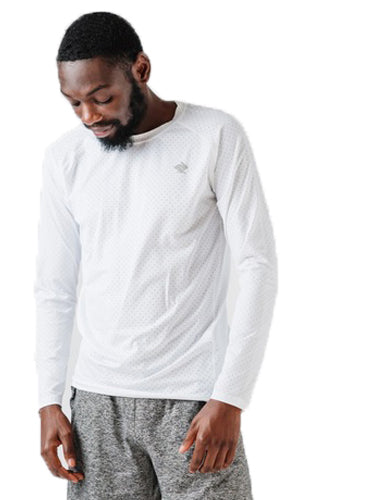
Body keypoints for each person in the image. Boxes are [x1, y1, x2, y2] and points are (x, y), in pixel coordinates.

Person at [34, 11, 278, 499]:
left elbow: (257, 266)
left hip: (193, 400)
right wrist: (48, 400)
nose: (89, 116)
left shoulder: (214, 135)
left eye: (102, 97)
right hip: (96, 402)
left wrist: (231, 396)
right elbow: (54, 287)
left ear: (140, 69)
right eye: (74, 103)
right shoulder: (66, 158)